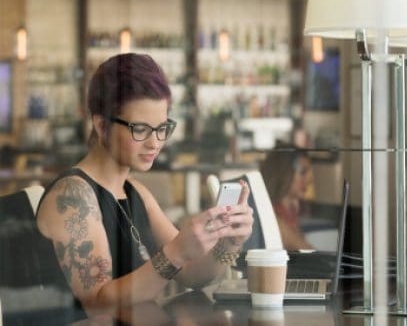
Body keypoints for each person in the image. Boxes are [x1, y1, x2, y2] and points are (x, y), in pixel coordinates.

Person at [36, 53, 253, 320]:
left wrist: (229, 243)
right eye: (140, 129)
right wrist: (176, 252)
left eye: (162, 128)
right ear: (101, 125)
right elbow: (98, 304)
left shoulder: (135, 192)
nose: (155, 143)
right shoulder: (73, 197)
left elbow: (192, 275)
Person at [259, 146, 313, 250]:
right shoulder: (275, 220)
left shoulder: (289, 214)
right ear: (285, 172)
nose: (309, 180)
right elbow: (309, 253)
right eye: (303, 172)